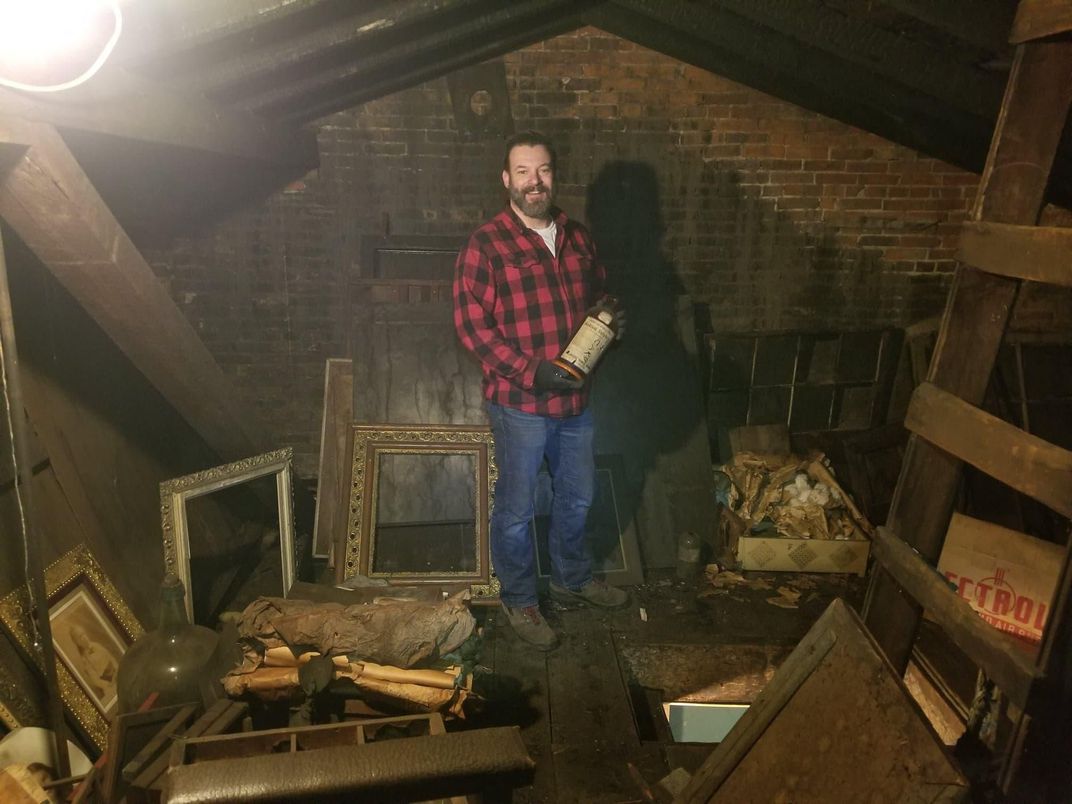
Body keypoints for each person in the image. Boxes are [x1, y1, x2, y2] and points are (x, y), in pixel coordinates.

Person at [453, 131, 628, 650]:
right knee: (516, 508)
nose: (535, 181)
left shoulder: (577, 236)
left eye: (544, 170)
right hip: (520, 407)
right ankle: (520, 599)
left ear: (554, 175)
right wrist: (532, 372)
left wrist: (612, 328)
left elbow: (597, 300)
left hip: (575, 403)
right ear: (507, 179)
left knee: (578, 498)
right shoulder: (486, 244)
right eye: (524, 172)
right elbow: (472, 327)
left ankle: (573, 578)